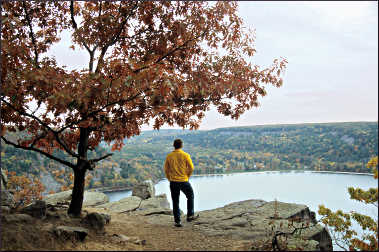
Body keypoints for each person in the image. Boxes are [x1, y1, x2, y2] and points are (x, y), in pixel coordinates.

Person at [164, 139, 199, 227]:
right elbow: (191, 168)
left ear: (174, 145)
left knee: (175, 201)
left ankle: (177, 221)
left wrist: (169, 178)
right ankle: (190, 216)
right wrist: (187, 176)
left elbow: (166, 170)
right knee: (190, 196)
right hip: (184, 181)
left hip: (173, 182)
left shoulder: (169, 156)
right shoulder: (185, 155)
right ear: (181, 145)